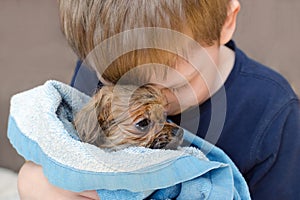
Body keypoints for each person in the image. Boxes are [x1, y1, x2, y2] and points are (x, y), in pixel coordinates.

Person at [17, 0, 300, 199]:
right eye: (119, 84)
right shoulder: (101, 69)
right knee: (32, 181)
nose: (155, 103)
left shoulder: (272, 111)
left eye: (176, 86)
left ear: (226, 21)